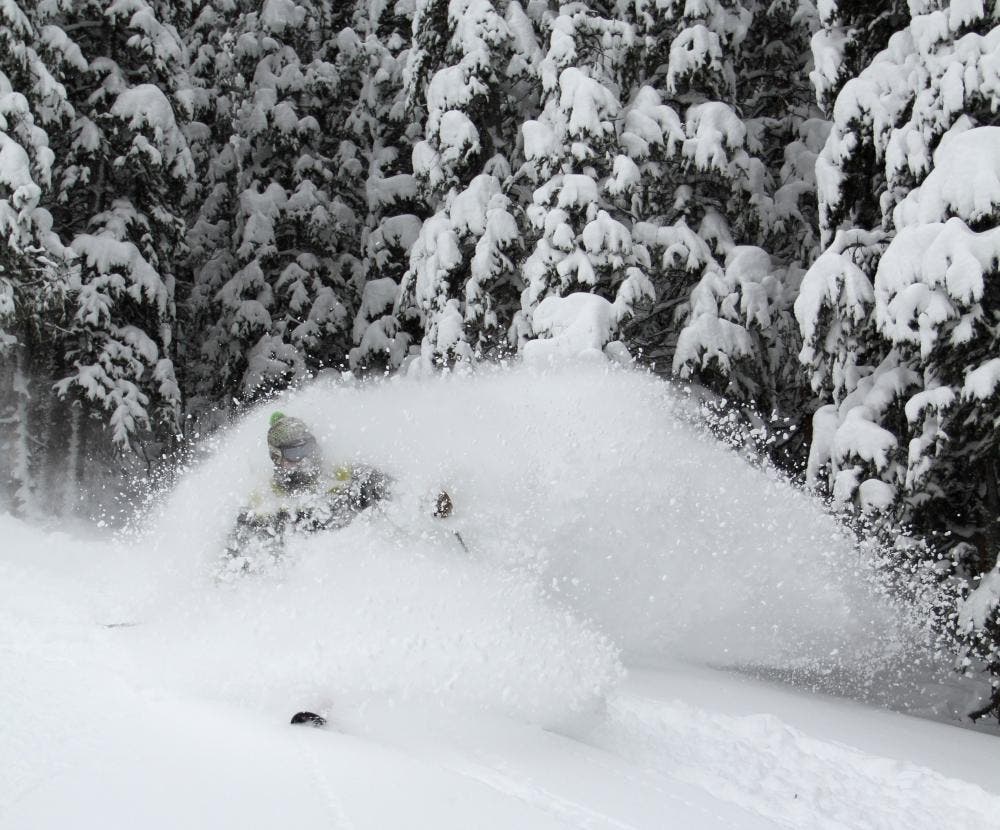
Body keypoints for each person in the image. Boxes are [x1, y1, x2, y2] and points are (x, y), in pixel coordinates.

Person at [224, 412, 451, 569]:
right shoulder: (265, 501)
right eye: (295, 454)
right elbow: (239, 557)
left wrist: (428, 502)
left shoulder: (342, 475)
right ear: (277, 458)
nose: (305, 459)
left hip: (365, 568)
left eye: (309, 449)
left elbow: (392, 489)